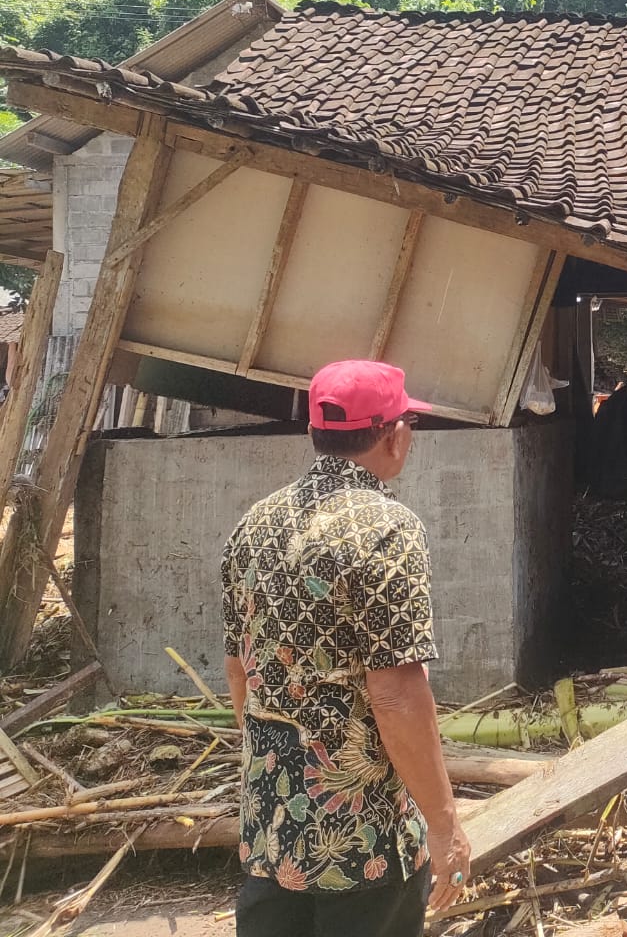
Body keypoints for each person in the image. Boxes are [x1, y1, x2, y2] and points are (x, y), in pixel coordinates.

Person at [222, 360, 471, 937]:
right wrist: (443, 823)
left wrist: (274, 777)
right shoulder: (388, 528)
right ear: (395, 434)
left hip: (271, 829)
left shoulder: (254, 524)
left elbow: (240, 670)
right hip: (363, 844)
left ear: (315, 434)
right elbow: (397, 695)